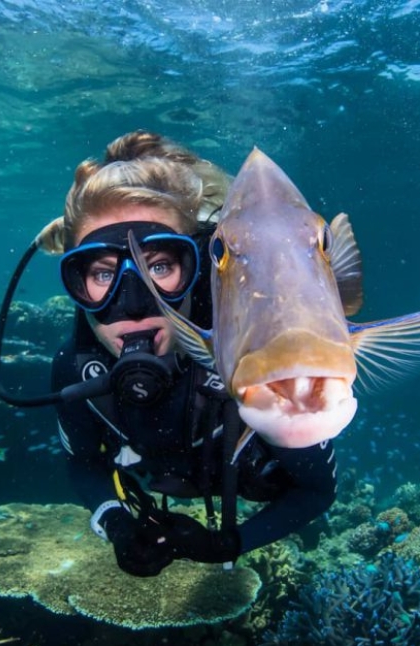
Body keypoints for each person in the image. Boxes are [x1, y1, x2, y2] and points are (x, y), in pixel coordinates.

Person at [49, 131, 337, 577]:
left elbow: (316, 490)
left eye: (160, 266)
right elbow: (83, 463)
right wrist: (116, 523)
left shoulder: (260, 362)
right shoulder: (75, 371)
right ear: (76, 284)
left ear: (196, 265)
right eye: (103, 275)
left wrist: (226, 544)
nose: (134, 305)